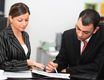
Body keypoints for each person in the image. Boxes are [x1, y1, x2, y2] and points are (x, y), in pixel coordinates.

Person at [46, 9, 104, 76]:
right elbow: (62, 59)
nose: (80, 34)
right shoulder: (68, 35)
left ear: (95, 30)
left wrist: (67, 70)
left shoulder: (102, 37)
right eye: (78, 28)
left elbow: (97, 66)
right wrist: (56, 65)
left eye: (85, 32)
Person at [0, 2, 45, 72]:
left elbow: (24, 58)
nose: (24, 24)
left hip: (24, 74)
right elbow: (2, 64)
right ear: (11, 18)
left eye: (26, 20)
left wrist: (31, 66)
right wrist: (26, 63)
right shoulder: (3, 36)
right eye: (20, 20)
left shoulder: (25, 35)